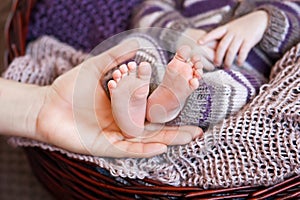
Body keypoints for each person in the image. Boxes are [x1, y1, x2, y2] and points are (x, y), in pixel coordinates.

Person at [105, 0, 299, 136]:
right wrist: (181, 34)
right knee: (138, 42)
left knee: (245, 89)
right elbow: (147, 12)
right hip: (172, 62)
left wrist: (264, 21)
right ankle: (137, 97)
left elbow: (294, 33)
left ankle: (172, 105)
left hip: (239, 74)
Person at [0, 39, 202, 158]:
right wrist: (189, 35)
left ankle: (165, 104)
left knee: (215, 87)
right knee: (146, 45)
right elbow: (153, 10)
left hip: (198, 72)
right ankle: (149, 105)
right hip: (170, 58)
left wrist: (235, 27)